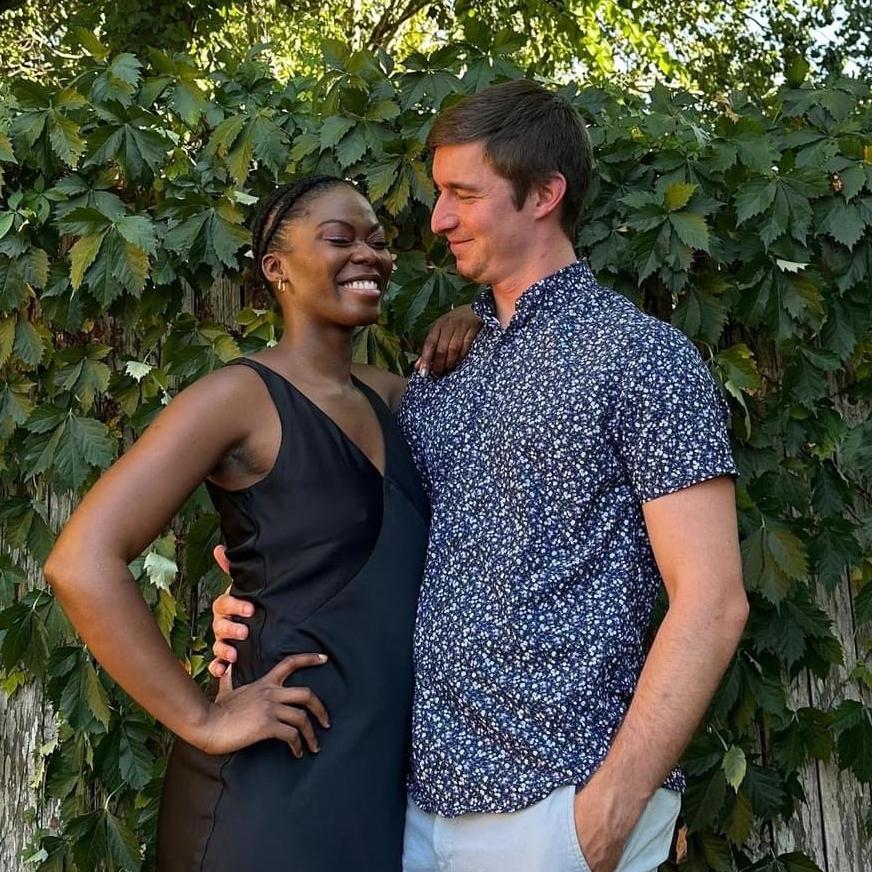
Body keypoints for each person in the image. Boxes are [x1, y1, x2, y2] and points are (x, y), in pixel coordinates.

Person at [212, 81, 749, 872]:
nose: (437, 220)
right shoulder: (442, 373)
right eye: (439, 194)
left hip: (558, 805)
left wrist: (608, 811)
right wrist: (257, 599)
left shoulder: (642, 357)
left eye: (463, 194)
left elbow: (713, 599)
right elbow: (372, 543)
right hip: (414, 809)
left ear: (544, 194)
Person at [43, 175, 481, 872]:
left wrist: (474, 317)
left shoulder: (402, 400)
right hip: (266, 789)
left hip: (372, 789)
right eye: (339, 238)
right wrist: (203, 719)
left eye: (377, 240)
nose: (368, 254)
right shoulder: (236, 399)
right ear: (277, 268)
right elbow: (80, 562)